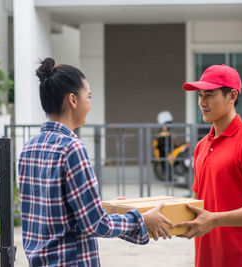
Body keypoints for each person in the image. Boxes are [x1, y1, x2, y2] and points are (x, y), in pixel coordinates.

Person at [18, 58, 172, 266]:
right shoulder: (72, 148)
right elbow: (95, 224)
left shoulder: (29, 148)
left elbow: (59, 212)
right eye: (88, 97)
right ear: (73, 100)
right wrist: (142, 220)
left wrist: (107, 208)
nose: (90, 103)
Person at [176, 64, 242, 267]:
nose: (202, 102)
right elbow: (198, 203)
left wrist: (214, 220)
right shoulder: (201, 146)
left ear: (232, 96)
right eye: (200, 95)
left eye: (209, 95)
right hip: (207, 257)